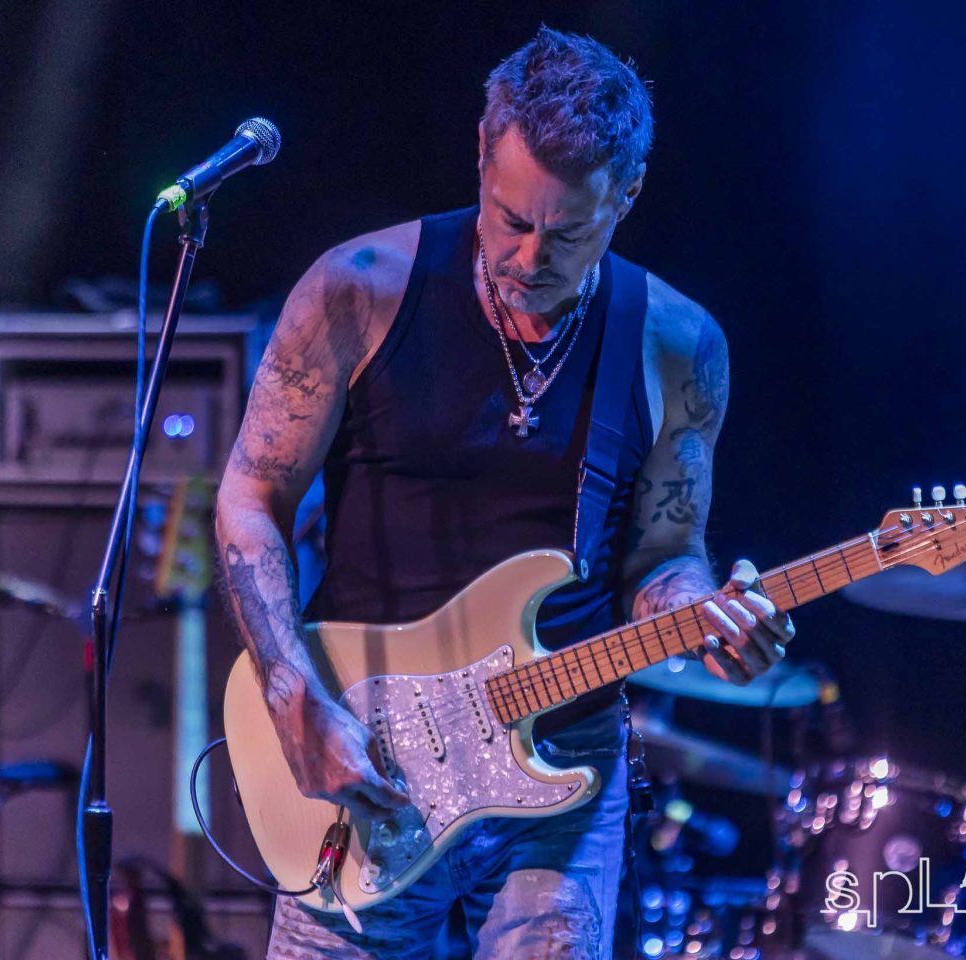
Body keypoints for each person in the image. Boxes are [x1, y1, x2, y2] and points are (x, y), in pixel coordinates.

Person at [214, 26, 795, 960]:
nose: (529, 257)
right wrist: (292, 690)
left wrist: (705, 615)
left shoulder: (678, 345)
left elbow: (663, 556)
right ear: (481, 158)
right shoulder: (358, 290)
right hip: (368, 745)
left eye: (567, 234)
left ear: (627, 196)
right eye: (510, 219)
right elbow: (251, 495)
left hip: (562, 758)